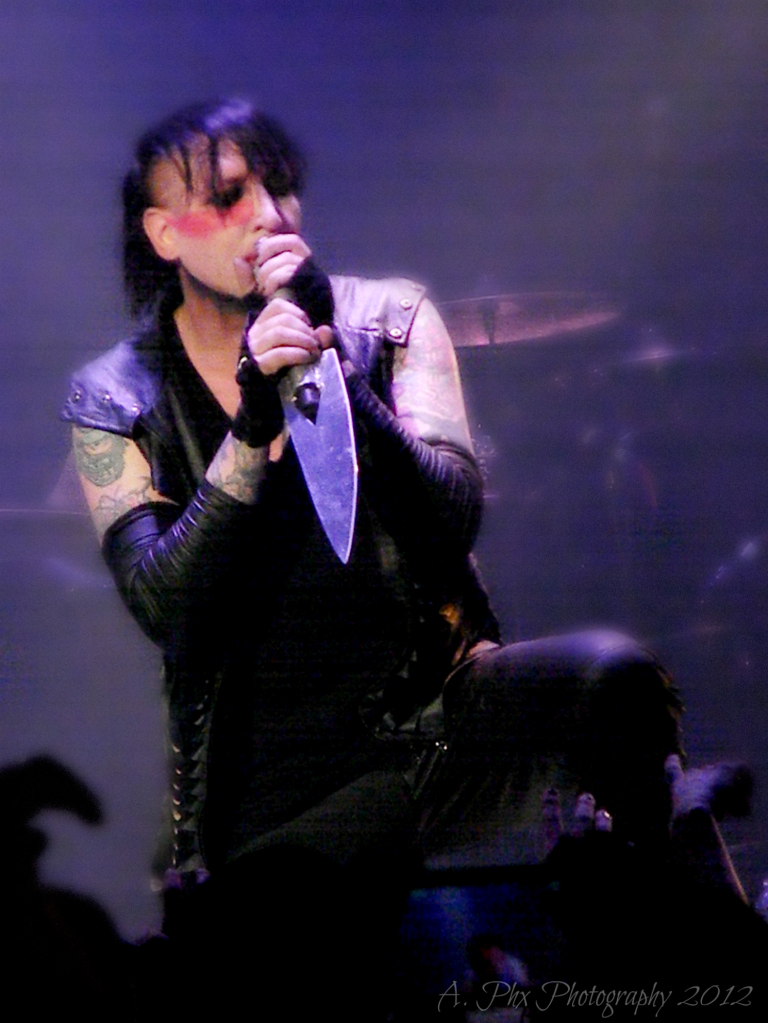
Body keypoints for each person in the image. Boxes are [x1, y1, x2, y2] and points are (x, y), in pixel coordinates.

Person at [63, 99, 691, 1015]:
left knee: (613, 679)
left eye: (280, 187)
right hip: (273, 778)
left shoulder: (390, 320)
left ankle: (690, 945)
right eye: (228, 196)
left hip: (439, 718)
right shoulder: (112, 397)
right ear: (163, 234)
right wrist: (252, 426)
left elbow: (451, 517)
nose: (268, 214)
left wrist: (336, 371)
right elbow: (167, 605)